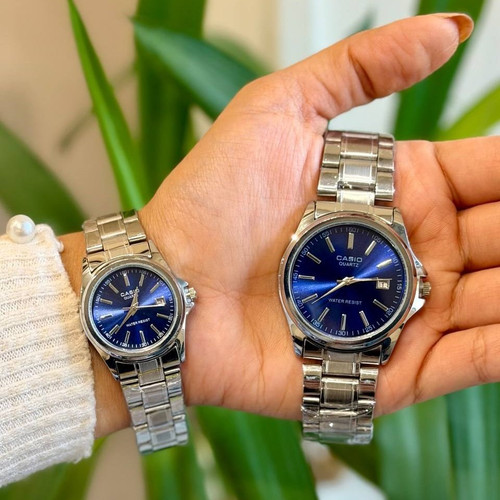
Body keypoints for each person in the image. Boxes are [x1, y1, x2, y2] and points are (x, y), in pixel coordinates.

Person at [2, 12, 498, 486]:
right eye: (345, 276)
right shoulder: (320, 271)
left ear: (416, 287)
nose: (348, 278)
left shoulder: (377, 289)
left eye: (354, 278)